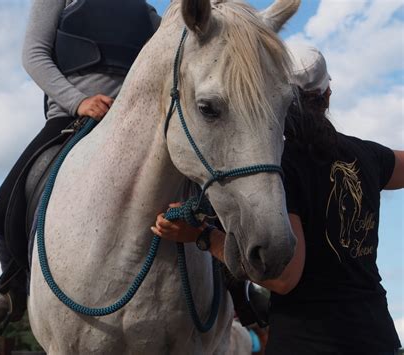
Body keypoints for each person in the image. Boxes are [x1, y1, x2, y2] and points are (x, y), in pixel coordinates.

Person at [152, 44, 403, 354]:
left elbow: (284, 278)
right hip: (378, 339)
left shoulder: (282, 167)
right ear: (327, 94)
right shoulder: (367, 154)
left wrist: (203, 236)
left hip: (310, 343)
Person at [0, 0, 160, 334]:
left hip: (135, 121)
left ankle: (237, 289)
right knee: (4, 205)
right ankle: (13, 292)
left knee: (208, 189)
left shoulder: (145, 10)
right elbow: (34, 55)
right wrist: (78, 101)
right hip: (70, 117)